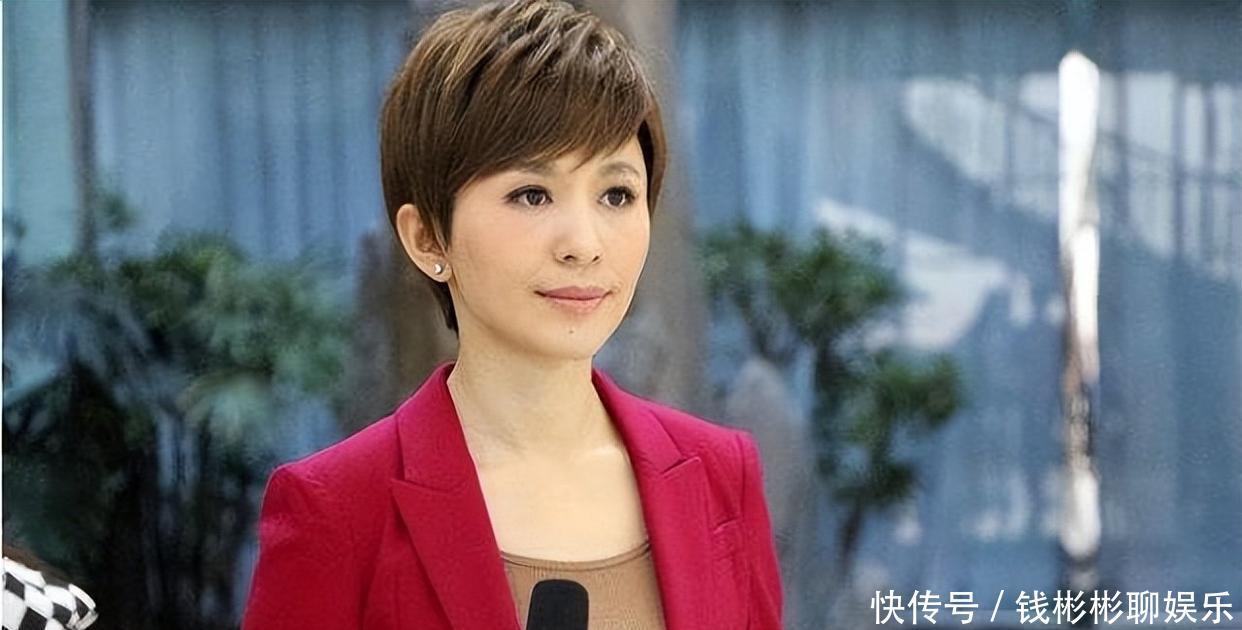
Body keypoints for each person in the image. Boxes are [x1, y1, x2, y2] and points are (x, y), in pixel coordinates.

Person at [240, 0, 783, 628]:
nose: (584, 243)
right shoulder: (336, 508)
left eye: (616, 194)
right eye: (532, 194)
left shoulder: (721, 475)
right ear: (426, 238)